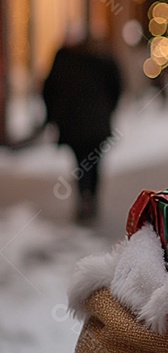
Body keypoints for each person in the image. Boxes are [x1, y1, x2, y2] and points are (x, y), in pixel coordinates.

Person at [42, 37, 123, 223]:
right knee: (95, 160)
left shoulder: (63, 59)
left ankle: (83, 197)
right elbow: (116, 87)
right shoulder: (102, 58)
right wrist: (108, 109)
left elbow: (48, 89)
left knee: (80, 162)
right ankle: (91, 197)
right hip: (96, 122)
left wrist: (52, 116)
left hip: (71, 122)